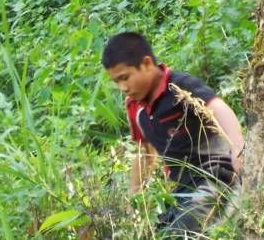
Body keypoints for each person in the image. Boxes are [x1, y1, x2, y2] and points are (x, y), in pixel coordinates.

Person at [102, 32, 243, 236]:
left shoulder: (179, 86)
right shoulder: (135, 107)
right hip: (181, 190)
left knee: (183, 228)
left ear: (147, 64)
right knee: (157, 231)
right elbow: (145, 153)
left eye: (125, 77)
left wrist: (237, 147)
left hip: (215, 176)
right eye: (116, 81)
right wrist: (134, 194)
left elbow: (219, 108)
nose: (123, 87)